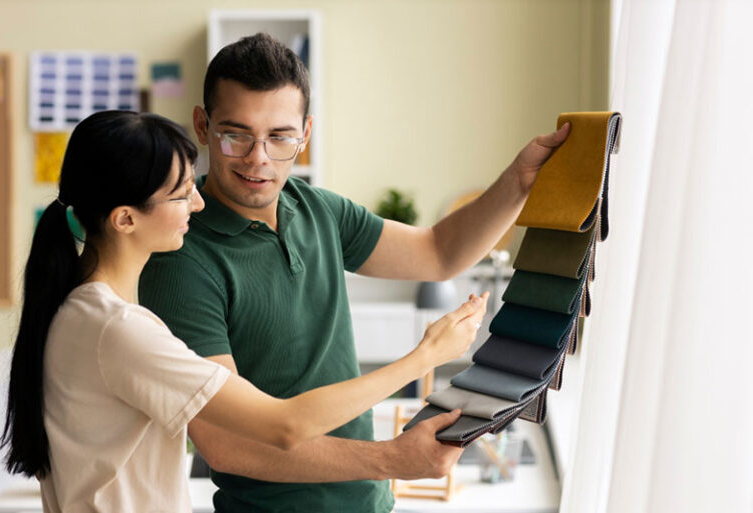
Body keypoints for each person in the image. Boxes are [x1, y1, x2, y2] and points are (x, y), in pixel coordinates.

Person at [139, 33, 570, 513]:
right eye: (236, 134)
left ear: (305, 133)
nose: (258, 158)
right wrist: (389, 458)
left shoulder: (318, 210)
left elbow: (439, 251)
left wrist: (518, 182)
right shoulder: (179, 257)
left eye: (279, 137)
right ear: (202, 125)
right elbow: (226, 444)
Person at [0, 110, 487, 513]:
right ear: (125, 219)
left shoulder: (81, 311)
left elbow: (439, 250)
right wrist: (425, 357)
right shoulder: (120, 331)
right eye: (180, 193)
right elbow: (283, 424)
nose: (196, 202)